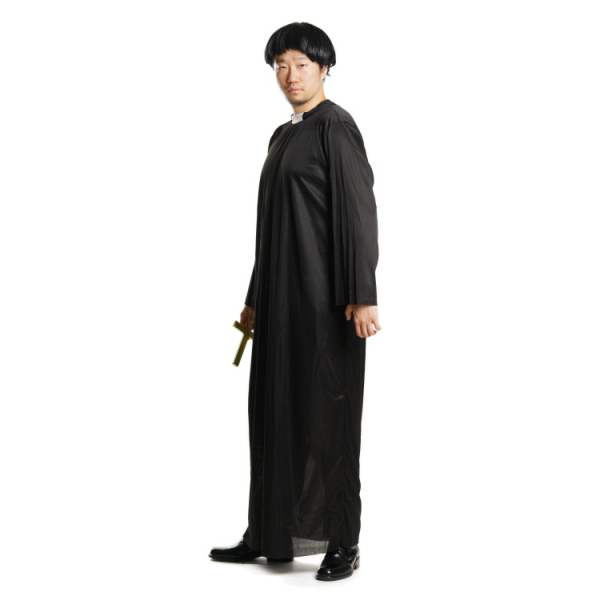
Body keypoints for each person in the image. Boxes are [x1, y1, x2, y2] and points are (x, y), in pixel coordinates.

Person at [209, 22, 381, 582]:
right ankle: (268, 534)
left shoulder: (337, 127)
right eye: (280, 65)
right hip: (280, 304)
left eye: (301, 64)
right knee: (274, 415)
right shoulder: (282, 136)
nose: (290, 76)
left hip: (325, 304)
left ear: (324, 67)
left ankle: (343, 542)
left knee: (329, 420)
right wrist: (254, 298)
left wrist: (361, 295)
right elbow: (272, 228)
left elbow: (357, 213)